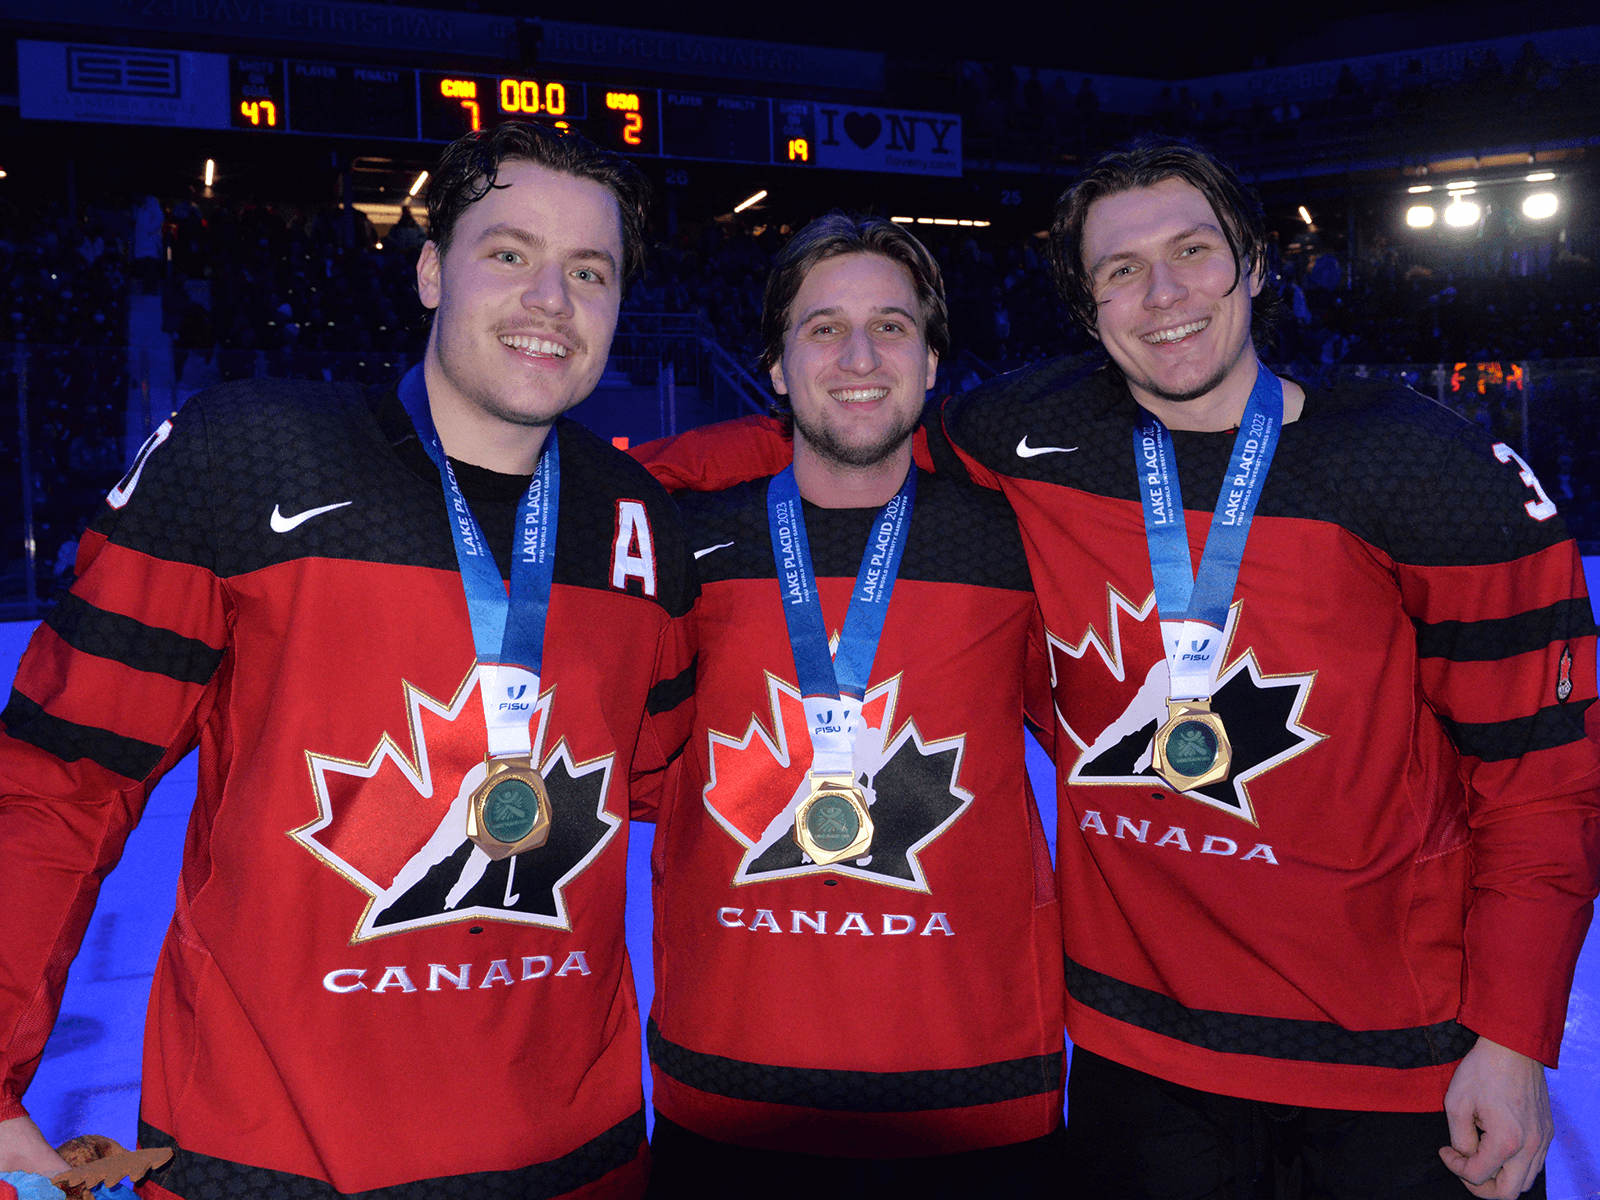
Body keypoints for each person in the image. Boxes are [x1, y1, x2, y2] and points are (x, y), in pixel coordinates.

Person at [0, 121, 695, 1199]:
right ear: (429, 270)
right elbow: (58, 782)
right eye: (508, 253)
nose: (550, 300)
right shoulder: (250, 454)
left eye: (588, 271)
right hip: (273, 1163)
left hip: (579, 1162)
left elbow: (664, 780)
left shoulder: (637, 520)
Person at [926, 138, 1600, 1198]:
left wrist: (1513, 1038)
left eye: (1193, 251)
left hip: (1394, 1063)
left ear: (1252, 262)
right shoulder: (1025, 436)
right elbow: (842, 439)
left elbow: (1541, 779)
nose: (1162, 294)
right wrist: (633, 487)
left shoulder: (1420, 465)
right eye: (1120, 270)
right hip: (1137, 1056)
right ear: (1085, 305)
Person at [629, 215, 1066, 1198]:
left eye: (892, 327)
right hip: (729, 1075)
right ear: (775, 369)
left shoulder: (1020, 540)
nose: (860, 357)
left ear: (932, 359)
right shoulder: (682, 544)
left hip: (977, 1083)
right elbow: (637, 772)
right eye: (822, 329)